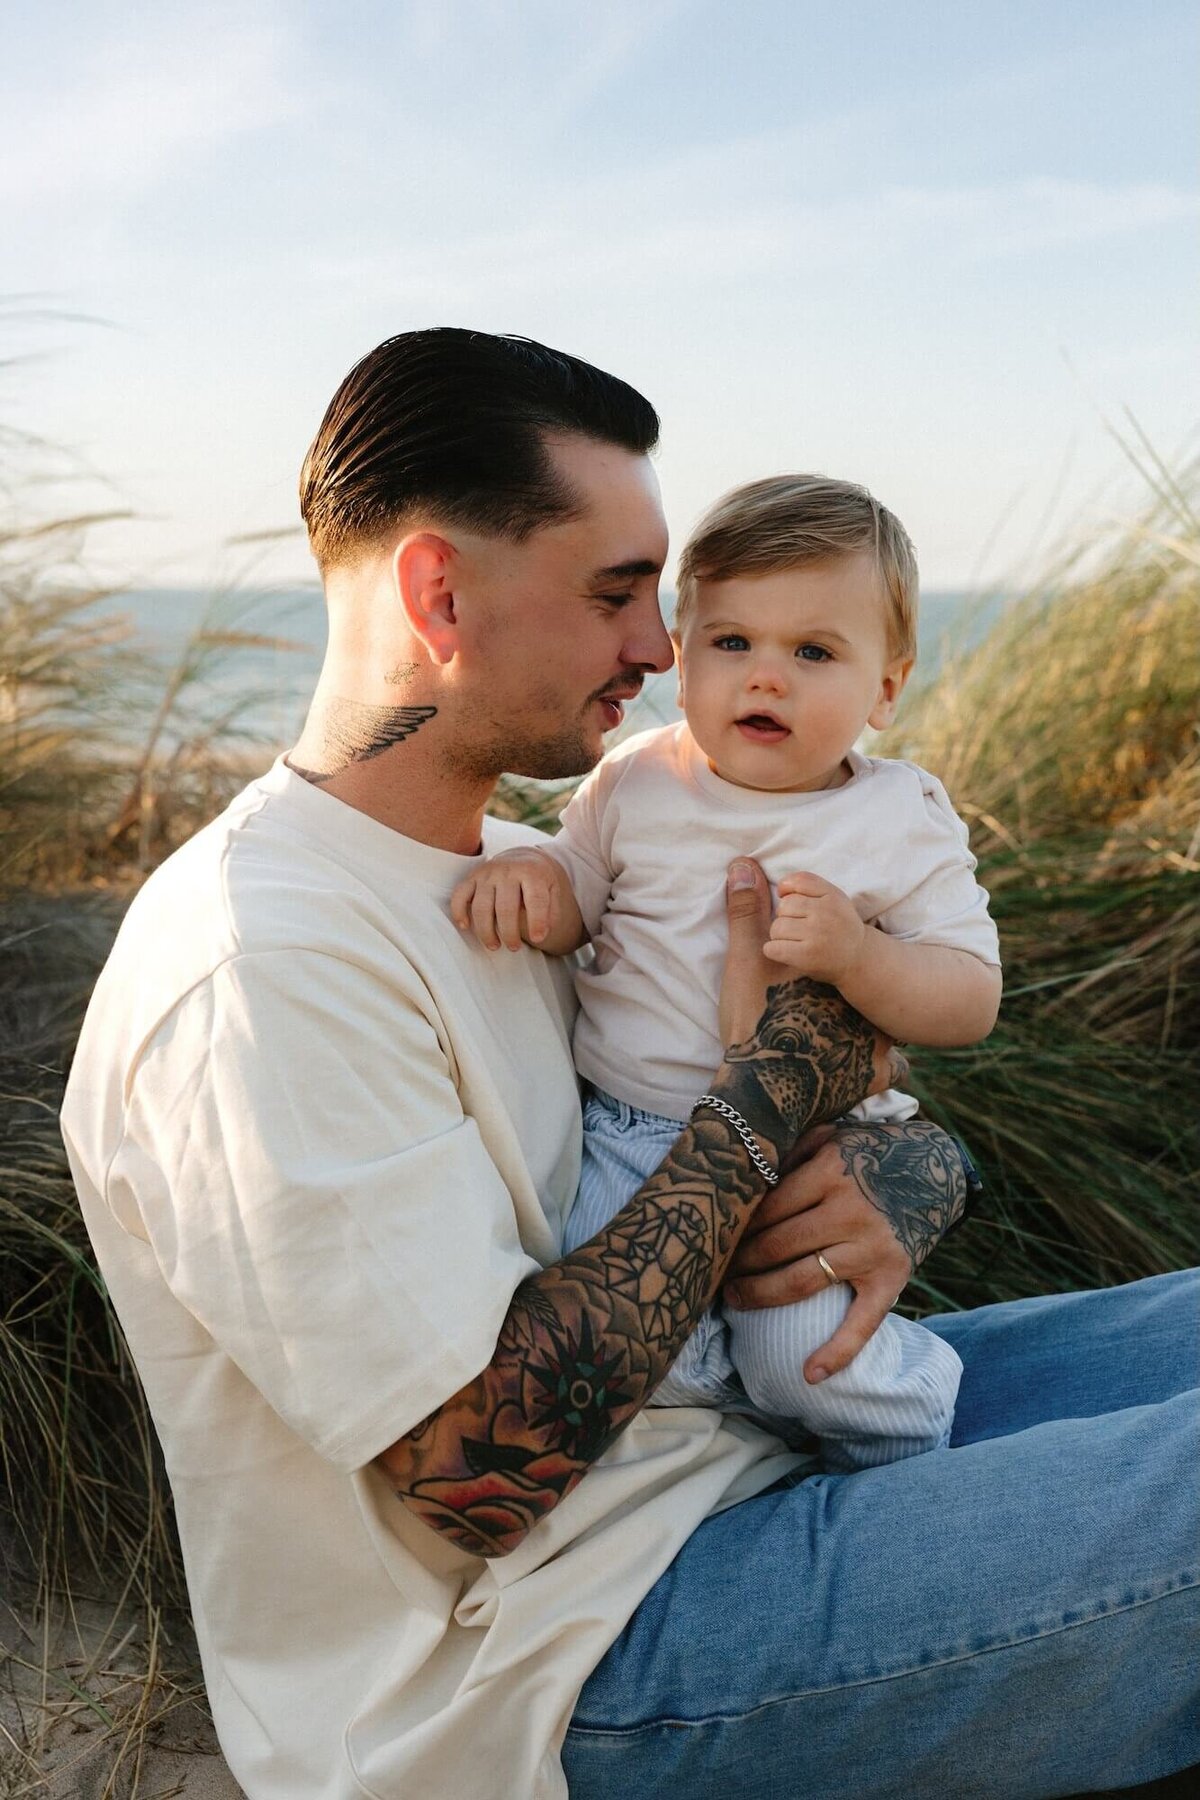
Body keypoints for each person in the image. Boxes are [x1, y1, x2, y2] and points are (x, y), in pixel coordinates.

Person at [59, 329, 1198, 1800]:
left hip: (758, 1435)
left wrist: (900, 1180)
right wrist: (765, 1110)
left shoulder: (547, 869)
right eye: (615, 595)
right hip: (561, 1658)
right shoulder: (260, 967)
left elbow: (877, 1093)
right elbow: (486, 1469)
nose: (663, 652)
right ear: (437, 592)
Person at [451, 473, 1003, 1471]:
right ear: (683, 651)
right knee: (641, 1352)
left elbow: (970, 993)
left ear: (886, 688)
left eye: (813, 652)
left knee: (805, 1358)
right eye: (733, 641)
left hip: (810, 1148)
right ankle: (747, 1450)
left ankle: (913, 1445)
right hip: (628, 1132)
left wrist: (863, 956)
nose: (766, 678)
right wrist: (537, 880)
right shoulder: (635, 779)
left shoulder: (896, 814)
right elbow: (583, 882)